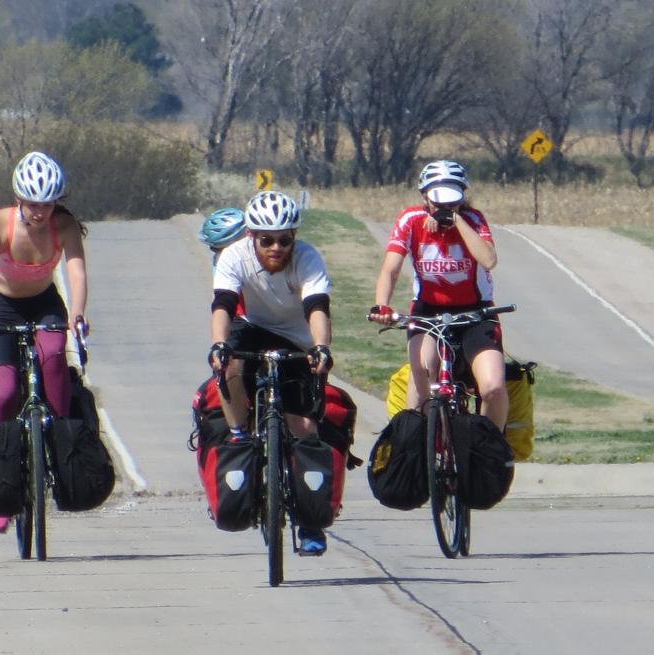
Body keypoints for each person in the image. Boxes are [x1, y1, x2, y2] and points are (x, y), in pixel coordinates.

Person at [207, 190, 334, 556]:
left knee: (304, 429)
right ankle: (237, 436)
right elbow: (223, 305)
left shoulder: (308, 259)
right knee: (228, 362)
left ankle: (310, 521)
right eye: (267, 240)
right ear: (252, 236)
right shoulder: (234, 256)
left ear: (295, 237)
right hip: (253, 326)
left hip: (298, 336)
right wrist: (218, 344)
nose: (276, 248)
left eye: (285, 240)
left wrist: (320, 347)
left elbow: (317, 307)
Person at [0, 151, 90, 533]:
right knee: (3, 392)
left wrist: (78, 314)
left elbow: (76, 271)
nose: (41, 212)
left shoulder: (64, 225)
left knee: (54, 354)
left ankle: (58, 439)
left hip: (43, 303)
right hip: (0, 306)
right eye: (33, 204)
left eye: (48, 204)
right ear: (19, 199)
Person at [367, 160, 507, 433]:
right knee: (423, 368)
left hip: (476, 313)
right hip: (429, 311)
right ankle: (417, 443)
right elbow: (390, 269)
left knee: (493, 387)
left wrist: (457, 221)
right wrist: (382, 304)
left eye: (452, 202)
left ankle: (488, 448)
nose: (444, 209)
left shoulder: (473, 219)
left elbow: (489, 259)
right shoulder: (411, 220)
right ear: (424, 197)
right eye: (437, 202)